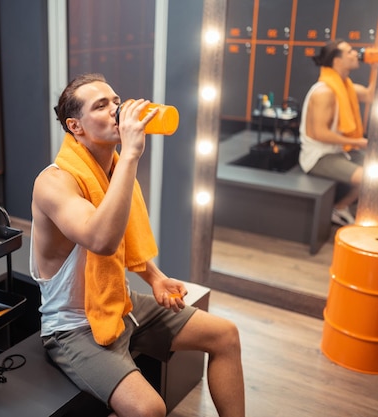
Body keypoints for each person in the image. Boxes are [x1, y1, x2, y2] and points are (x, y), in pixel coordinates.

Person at [30, 73, 245, 417]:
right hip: (72, 328)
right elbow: (101, 240)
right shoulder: (54, 182)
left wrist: (155, 278)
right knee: (149, 409)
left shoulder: (113, 170)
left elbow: (123, 237)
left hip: (118, 305)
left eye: (116, 101)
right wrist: (131, 154)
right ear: (76, 126)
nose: (117, 110)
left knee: (225, 335)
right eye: (101, 105)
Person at [299, 39, 378, 226]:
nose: (355, 53)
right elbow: (319, 133)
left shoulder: (345, 86)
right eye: (350, 51)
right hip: (319, 158)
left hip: (339, 151)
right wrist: (359, 142)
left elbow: (369, 96)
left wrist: (375, 67)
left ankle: (344, 208)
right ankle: (340, 208)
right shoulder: (324, 92)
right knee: (371, 180)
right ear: (337, 61)